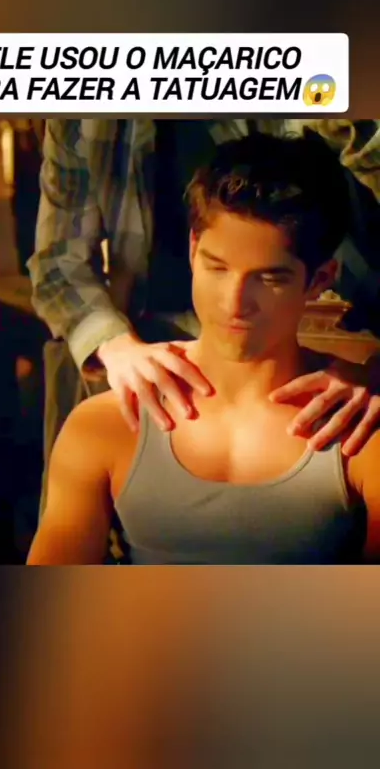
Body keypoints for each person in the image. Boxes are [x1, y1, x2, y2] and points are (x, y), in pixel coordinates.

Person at [28, 131, 380, 565]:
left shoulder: (360, 431)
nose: (234, 302)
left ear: (320, 279)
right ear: (194, 250)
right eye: (217, 268)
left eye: (270, 278)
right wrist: (110, 345)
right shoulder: (103, 425)